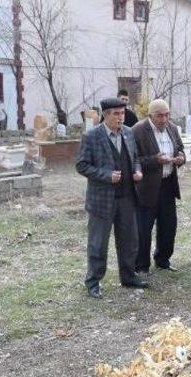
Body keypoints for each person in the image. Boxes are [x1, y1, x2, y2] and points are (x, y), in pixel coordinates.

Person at [76, 97, 147, 299]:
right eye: (116, 114)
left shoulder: (128, 133)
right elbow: (81, 165)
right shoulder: (92, 136)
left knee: (129, 241)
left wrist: (137, 171)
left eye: (122, 113)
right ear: (105, 115)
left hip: (126, 198)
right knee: (98, 243)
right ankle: (93, 281)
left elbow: (136, 159)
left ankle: (128, 276)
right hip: (102, 200)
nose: (120, 117)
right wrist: (106, 175)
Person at [132, 99, 185, 273]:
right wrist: (155, 160)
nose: (164, 119)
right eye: (160, 116)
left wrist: (181, 157)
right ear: (150, 116)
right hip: (147, 187)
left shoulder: (172, 128)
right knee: (144, 228)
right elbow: (133, 160)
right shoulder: (138, 131)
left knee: (168, 225)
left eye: (167, 115)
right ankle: (141, 265)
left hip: (168, 184)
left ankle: (163, 259)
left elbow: (180, 148)